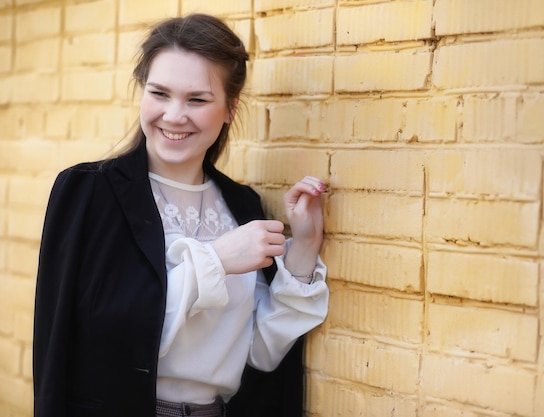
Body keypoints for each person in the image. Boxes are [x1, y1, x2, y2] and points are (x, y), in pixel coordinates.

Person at [33, 13, 329, 417]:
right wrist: (216, 260)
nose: (174, 115)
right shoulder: (88, 194)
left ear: (229, 109)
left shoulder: (242, 206)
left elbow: (259, 353)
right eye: (159, 93)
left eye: (197, 99)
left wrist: (305, 246)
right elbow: (92, 340)